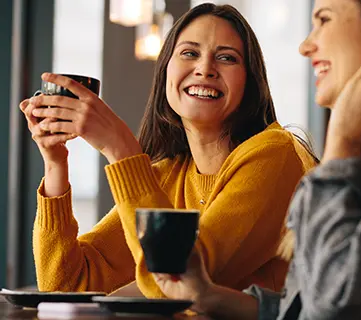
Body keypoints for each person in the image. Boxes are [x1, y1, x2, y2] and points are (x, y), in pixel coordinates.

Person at [20, 4, 317, 297]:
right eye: (189, 53)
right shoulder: (167, 176)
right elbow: (65, 286)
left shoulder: (274, 155)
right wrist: (55, 163)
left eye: (227, 58)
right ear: (165, 73)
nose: (204, 69)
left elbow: (180, 282)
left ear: (249, 82)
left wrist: (119, 147)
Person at [151, 0, 361, 319]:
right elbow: (308, 304)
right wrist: (208, 297)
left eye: (324, 19)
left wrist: (342, 141)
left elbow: (332, 300)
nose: (306, 46)